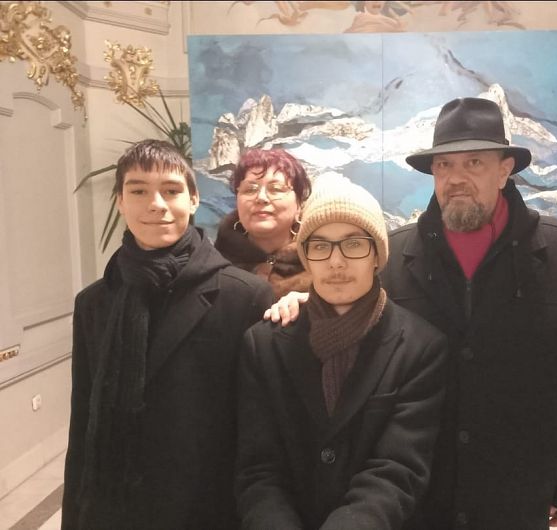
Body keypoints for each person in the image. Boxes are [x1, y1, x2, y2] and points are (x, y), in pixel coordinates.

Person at [266, 98, 557, 529]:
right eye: (444, 165)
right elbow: (347, 312)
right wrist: (303, 305)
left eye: (474, 162)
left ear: (505, 170)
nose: (456, 178)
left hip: (518, 485)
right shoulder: (393, 257)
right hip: (415, 486)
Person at [62, 140, 273, 530]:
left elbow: (259, 429)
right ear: (120, 201)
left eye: (171, 190)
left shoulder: (244, 296)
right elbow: (83, 424)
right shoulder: (94, 303)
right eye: (138, 191)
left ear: (193, 200)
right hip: (116, 507)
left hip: (207, 507)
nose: (156, 204)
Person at [235, 177, 448, 530]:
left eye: (353, 244)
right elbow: (259, 468)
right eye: (320, 246)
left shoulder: (420, 347)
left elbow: (398, 469)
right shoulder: (264, 344)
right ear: (306, 256)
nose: (336, 262)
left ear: (377, 255)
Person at [215, 148, 312, 299]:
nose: (261, 198)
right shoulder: (215, 263)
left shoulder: (319, 263)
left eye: (276, 189)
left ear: (299, 204)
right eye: (250, 189)